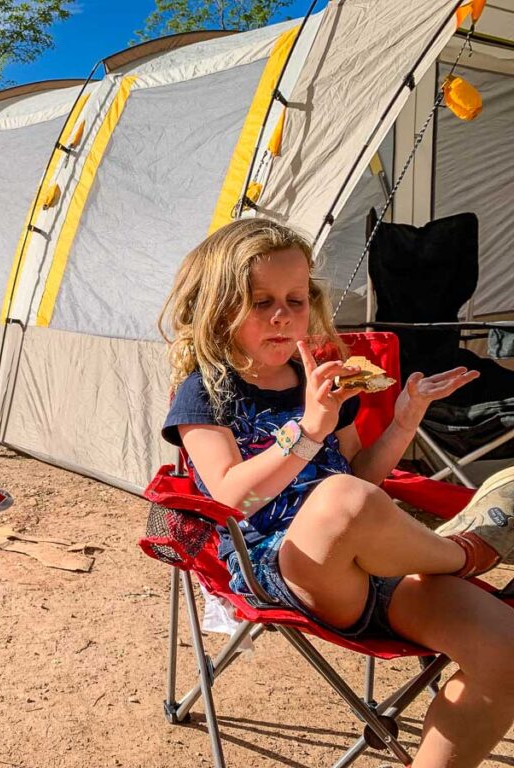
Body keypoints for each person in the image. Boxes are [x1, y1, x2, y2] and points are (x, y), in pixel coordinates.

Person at [158, 217, 514, 768]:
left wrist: (402, 423)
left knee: (505, 649)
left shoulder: (321, 382)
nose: (282, 315)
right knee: (338, 499)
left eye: (296, 300)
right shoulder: (206, 392)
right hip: (282, 565)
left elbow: (363, 480)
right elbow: (233, 502)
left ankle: (452, 554)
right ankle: (466, 551)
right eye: (260, 301)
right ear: (218, 307)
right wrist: (306, 432)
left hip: (371, 565)